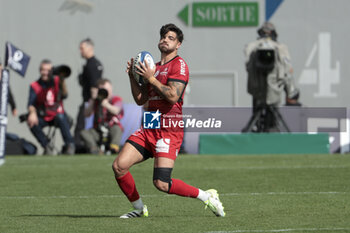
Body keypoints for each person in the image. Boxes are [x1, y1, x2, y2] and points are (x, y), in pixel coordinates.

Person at [112, 23, 225, 218]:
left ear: (178, 44)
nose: (165, 39)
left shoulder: (179, 65)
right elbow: (141, 100)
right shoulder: (153, 67)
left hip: (168, 129)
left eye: (171, 38)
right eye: (163, 36)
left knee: (162, 184)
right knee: (119, 166)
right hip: (151, 123)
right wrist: (133, 77)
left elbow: (173, 96)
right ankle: (139, 209)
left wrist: (151, 78)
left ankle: (206, 196)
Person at [242, 22, 300, 132]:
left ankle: (259, 127)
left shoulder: (251, 47)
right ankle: (271, 127)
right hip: (270, 90)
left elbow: (247, 66)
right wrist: (291, 91)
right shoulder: (281, 48)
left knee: (262, 117)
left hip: (259, 91)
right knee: (273, 124)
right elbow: (287, 70)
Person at [26, 59, 75, 155]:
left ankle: (70, 145)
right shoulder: (35, 85)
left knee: (61, 117)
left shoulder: (57, 81)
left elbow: (65, 95)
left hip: (58, 115)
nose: (45, 73)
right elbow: (30, 104)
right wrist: (32, 113)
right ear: (40, 70)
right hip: (44, 115)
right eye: (43, 70)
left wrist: (62, 80)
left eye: (48, 70)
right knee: (31, 122)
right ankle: (47, 145)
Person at [74, 38, 103, 152]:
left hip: (90, 102)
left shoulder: (91, 64)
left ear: (90, 48)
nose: (80, 51)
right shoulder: (96, 63)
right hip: (92, 101)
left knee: (80, 127)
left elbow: (94, 87)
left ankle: (77, 148)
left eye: (82, 48)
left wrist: (91, 103)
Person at [80, 79, 123, 154]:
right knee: (84, 133)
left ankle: (114, 148)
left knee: (117, 129)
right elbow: (86, 114)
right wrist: (93, 99)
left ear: (111, 89)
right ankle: (95, 149)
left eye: (107, 89)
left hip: (111, 128)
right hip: (98, 130)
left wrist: (106, 104)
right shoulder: (95, 100)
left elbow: (116, 111)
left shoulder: (116, 99)